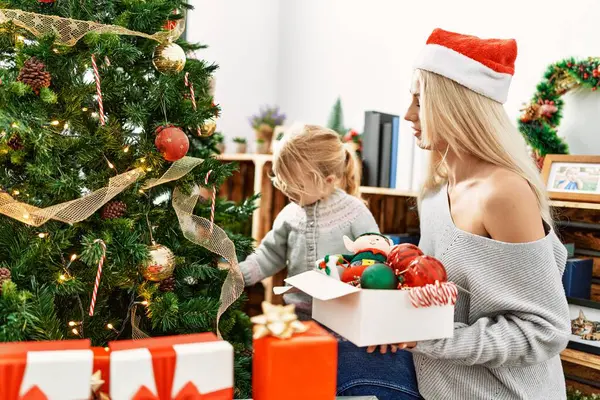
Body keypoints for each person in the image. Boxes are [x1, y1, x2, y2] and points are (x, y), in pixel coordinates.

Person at [393, 28, 571, 400]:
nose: (408, 114)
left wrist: (427, 338)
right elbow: (442, 298)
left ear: (457, 106)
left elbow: (544, 330)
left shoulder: (502, 192)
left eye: (420, 100)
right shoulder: (435, 191)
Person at [239, 124, 421, 399]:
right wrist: (238, 275)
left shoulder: (354, 212)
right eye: (282, 181)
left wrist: (383, 323)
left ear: (329, 179)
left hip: (345, 325)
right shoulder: (291, 214)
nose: (287, 190)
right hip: (299, 322)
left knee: (331, 385)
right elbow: (269, 255)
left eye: (296, 185)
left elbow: (380, 261)